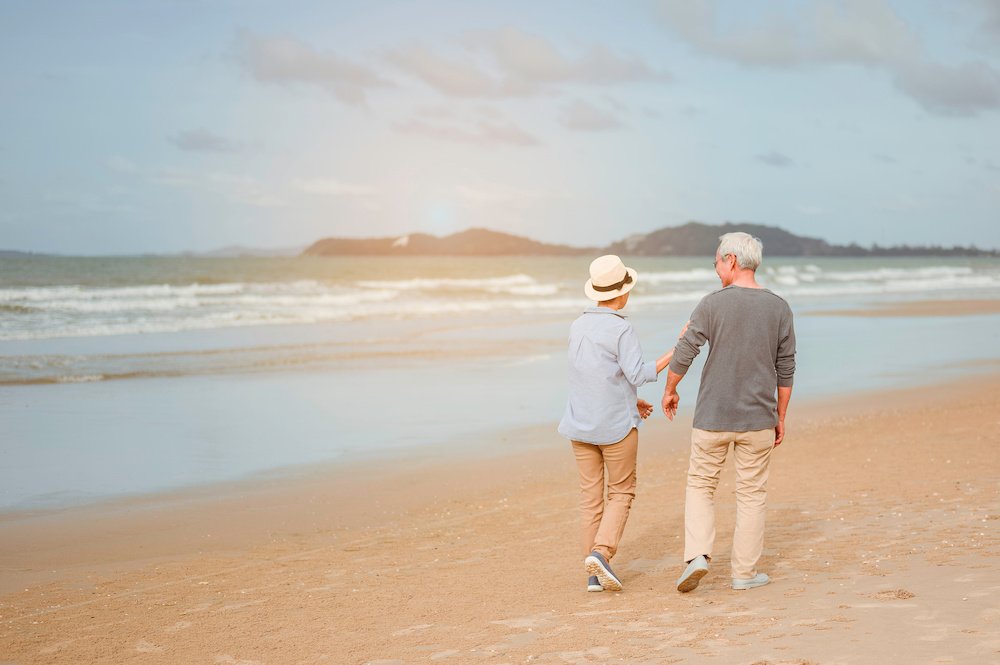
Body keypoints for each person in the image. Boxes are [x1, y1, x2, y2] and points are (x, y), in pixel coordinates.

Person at [663, 232, 796, 593]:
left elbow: (686, 350)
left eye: (717, 262)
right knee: (752, 494)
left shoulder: (711, 304)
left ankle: (697, 556)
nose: (716, 269)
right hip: (758, 418)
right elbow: (786, 367)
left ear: (731, 261)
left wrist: (670, 389)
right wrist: (781, 416)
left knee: (701, 484)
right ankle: (744, 573)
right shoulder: (779, 307)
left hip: (713, 415)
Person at [558, 254, 686, 592]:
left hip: (579, 424)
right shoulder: (621, 328)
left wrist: (631, 400)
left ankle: (593, 575)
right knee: (622, 491)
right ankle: (601, 553)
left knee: (591, 499)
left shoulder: (577, 325)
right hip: (614, 427)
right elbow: (638, 374)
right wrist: (677, 349)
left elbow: (591, 376)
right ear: (623, 291)